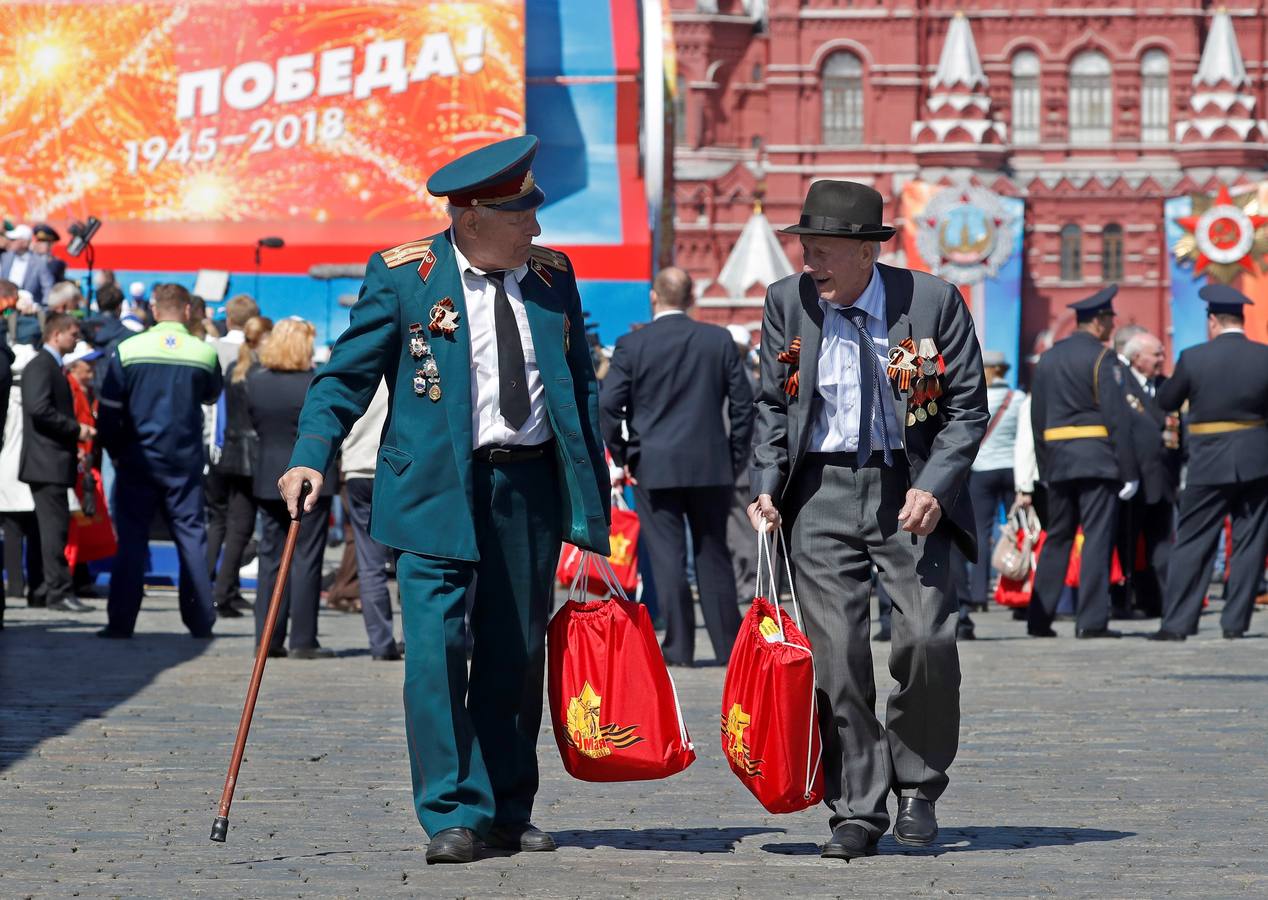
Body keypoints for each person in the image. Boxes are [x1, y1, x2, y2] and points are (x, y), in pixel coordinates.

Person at [278, 135, 610, 864]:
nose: (538, 230)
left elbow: (580, 390)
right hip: (432, 489)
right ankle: (452, 810)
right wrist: (309, 457)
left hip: (524, 489)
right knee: (435, 652)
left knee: (516, 655)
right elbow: (344, 379)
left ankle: (506, 807)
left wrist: (590, 498)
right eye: (522, 216)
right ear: (472, 217)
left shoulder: (553, 278)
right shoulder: (405, 276)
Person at [748, 180, 988, 859]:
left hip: (907, 491)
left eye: (823, 252)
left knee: (926, 639)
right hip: (818, 494)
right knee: (838, 658)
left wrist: (937, 486)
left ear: (864, 253)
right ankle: (855, 806)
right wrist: (766, 485)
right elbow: (772, 404)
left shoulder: (931, 301)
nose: (811, 265)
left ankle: (917, 783)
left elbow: (968, 408)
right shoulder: (786, 303)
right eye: (805, 251)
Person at [599, 266, 753, 666]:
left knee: (666, 555)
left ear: (655, 298)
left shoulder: (633, 344)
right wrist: (734, 456)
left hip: (655, 464)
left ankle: (679, 646)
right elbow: (742, 406)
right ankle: (727, 646)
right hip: (710, 464)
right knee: (712, 552)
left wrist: (624, 454)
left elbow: (607, 406)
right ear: (691, 298)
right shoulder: (717, 340)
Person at [96, 284, 223, 639]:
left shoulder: (127, 350)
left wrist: (117, 452)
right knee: (191, 538)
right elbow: (213, 395)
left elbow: (108, 412)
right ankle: (200, 621)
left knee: (132, 541)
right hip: (183, 461)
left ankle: (121, 622)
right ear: (186, 311)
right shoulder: (204, 353)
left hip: (137, 458)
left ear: (154, 311)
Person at [1150, 285, 1268, 641]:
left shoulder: (1193, 357)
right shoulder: (1264, 356)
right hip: (1257, 460)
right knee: (1250, 541)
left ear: (1213, 321)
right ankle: (1235, 623)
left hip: (1208, 462)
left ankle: (1177, 624)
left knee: (1193, 541)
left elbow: (1166, 401)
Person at [1027, 286, 1138, 639]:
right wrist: (1129, 470)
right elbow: (1117, 417)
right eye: (1110, 320)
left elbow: (1037, 416)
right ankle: (1091, 621)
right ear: (1099, 321)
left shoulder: (1048, 358)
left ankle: (1039, 618)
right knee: (1096, 538)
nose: (1112, 326)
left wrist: (1045, 466)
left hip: (1058, 461)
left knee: (1056, 537)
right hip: (1097, 461)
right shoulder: (1104, 359)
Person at [245, 318, 336, 657]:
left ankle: (266, 638)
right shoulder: (314, 383)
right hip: (312, 476)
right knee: (306, 559)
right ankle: (302, 638)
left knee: (270, 558)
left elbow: (252, 423)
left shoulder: (256, 382)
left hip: (269, 475)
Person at [18, 313, 93, 612]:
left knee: (44, 529)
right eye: (73, 334)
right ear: (56, 334)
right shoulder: (42, 366)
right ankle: (57, 591)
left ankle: (41, 589)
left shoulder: (51, 367)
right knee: (53, 529)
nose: (76, 340)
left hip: (51, 459)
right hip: (46, 461)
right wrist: (77, 429)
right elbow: (39, 408)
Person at [208, 315, 271, 618]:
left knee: (236, 525)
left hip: (233, 453)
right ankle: (224, 591)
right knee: (242, 528)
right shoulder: (260, 374)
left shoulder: (235, 369)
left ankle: (224, 588)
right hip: (254, 455)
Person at [1115, 331, 1178, 619]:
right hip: (1132, 477)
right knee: (1126, 543)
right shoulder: (1119, 382)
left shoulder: (1166, 386)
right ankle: (1124, 600)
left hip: (1163, 478)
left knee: (1161, 543)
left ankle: (1161, 601)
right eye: (1157, 354)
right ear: (1137, 357)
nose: (1162, 360)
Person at [338, 378, 402, 659]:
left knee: (369, 562)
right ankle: (413, 639)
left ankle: (380, 642)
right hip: (395, 467)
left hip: (357, 466)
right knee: (408, 558)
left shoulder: (359, 371)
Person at [967, 350, 1023, 612]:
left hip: (982, 470)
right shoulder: (1018, 399)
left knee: (981, 532)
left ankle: (978, 595)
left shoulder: (978, 397)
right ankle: (1017, 588)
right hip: (1012, 470)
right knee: (1018, 530)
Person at [725, 323, 761, 602]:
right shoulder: (749, 377)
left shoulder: (735, 380)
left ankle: (747, 584)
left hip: (740, 468)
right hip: (751, 465)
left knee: (741, 531)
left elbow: (732, 426)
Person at [0, 225, 55, 305]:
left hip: (28, 310)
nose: (9, 241)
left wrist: (43, 308)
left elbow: (48, 287)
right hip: (6, 307)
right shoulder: (5, 258)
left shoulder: (39, 262)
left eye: (14, 240)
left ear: (25, 243)